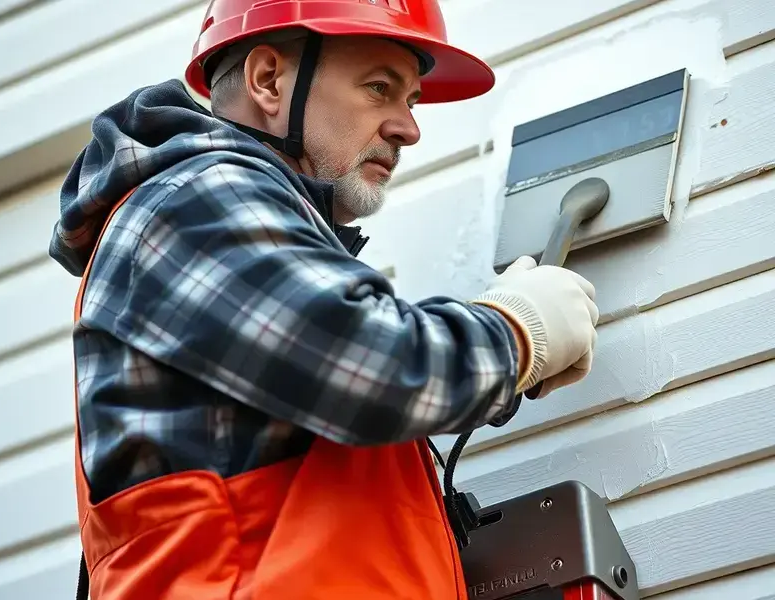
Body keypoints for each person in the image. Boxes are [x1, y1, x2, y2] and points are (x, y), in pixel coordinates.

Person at [49, 1, 599, 598]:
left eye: (410, 100)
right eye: (379, 88)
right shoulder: (195, 199)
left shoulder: (224, 222)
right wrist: (518, 331)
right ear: (268, 80)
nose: (408, 128)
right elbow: (386, 370)